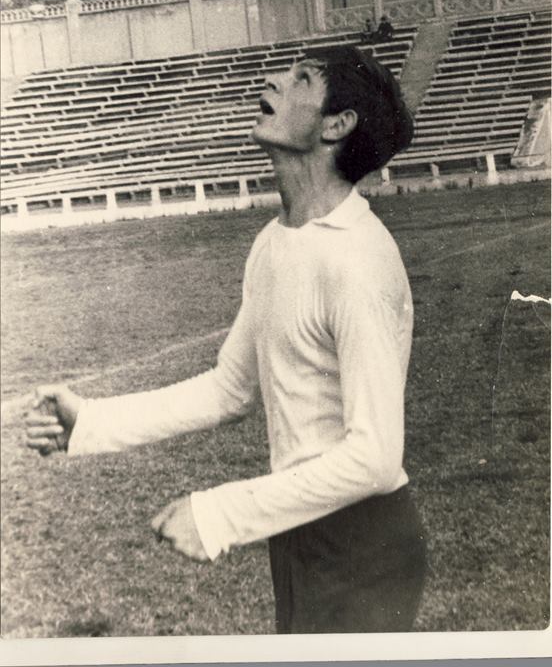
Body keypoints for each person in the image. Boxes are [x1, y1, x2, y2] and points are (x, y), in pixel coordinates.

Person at [26, 44, 426, 634]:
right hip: (299, 532)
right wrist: (89, 423)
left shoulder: (358, 261)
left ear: (337, 125)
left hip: (363, 545)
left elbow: (375, 457)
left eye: (301, 79)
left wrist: (220, 514)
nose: (274, 80)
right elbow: (229, 389)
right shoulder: (273, 243)